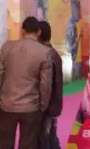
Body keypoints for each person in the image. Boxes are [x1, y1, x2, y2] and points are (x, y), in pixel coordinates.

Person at [0, 16, 53, 148]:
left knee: (4, 144)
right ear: (39, 32)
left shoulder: (7, 47)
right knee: (28, 145)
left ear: (22, 31)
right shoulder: (44, 52)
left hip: (7, 104)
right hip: (31, 106)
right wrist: (43, 105)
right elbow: (45, 84)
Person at [38, 20, 64, 149]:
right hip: (53, 103)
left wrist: (42, 105)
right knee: (51, 134)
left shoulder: (45, 55)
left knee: (44, 136)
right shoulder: (53, 54)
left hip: (46, 105)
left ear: (38, 33)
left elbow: (46, 85)